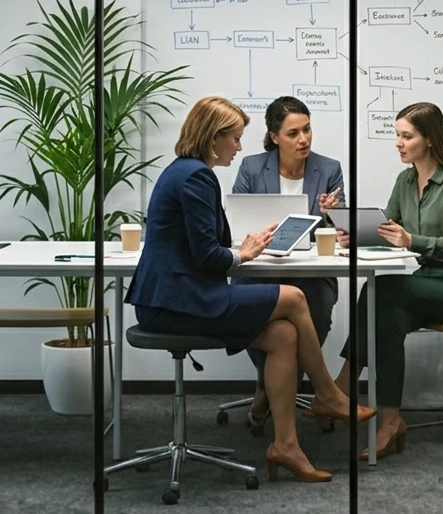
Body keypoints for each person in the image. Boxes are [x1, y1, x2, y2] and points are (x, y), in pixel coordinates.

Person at [125, 95, 374, 484]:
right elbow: (207, 256)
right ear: (213, 139)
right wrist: (241, 255)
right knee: (292, 297)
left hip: (182, 296)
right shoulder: (195, 176)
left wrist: (242, 248)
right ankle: (328, 394)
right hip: (177, 302)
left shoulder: (186, 171)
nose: (240, 146)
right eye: (235, 138)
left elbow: (203, 246)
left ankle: (286, 445)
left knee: (284, 334)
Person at [334, 101, 443, 461]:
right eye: (398, 135)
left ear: (430, 140)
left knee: (384, 287)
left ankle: (343, 384)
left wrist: (413, 241)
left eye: (407, 136)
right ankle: (390, 419)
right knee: (387, 318)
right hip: (428, 285)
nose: (398, 143)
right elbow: (386, 230)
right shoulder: (405, 180)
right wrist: (350, 233)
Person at [232, 96, 344, 430]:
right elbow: (237, 224)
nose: (304, 139)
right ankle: (269, 383)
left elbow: (340, 233)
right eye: (293, 133)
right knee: (256, 314)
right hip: (261, 269)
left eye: (307, 130)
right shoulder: (252, 167)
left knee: (319, 308)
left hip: (312, 274)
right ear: (275, 136)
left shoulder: (329, 168)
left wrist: (330, 215)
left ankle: (270, 388)